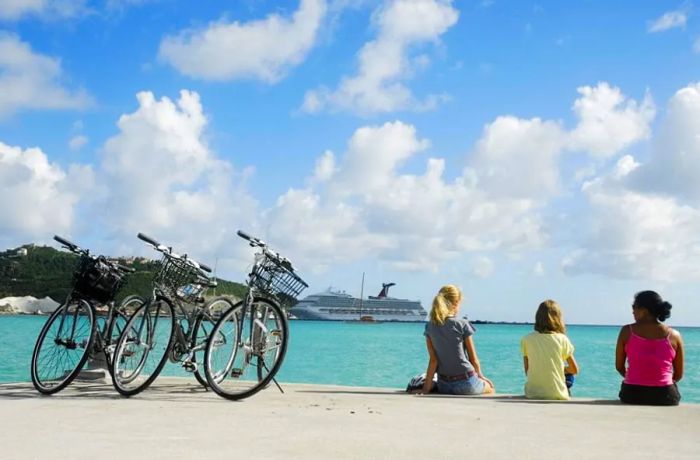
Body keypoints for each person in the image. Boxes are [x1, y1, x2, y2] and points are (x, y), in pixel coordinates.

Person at [420, 285, 494, 395]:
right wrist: (481, 376)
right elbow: (473, 359)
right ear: (455, 304)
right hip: (466, 383)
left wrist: (425, 389)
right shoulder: (462, 324)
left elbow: (433, 361)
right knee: (490, 388)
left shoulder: (430, 326)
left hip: (444, 385)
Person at [615, 291, 684, 406]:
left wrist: (637, 378)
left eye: (634, 307)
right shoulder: (675, 335)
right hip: (666, 395)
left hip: (632, 394)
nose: (632, 311)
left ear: (644, 310)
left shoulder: (626, 331)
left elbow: (619, 367)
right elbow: (679, 374)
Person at [520, 300, 579, 400]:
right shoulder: (562, 339)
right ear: (558, 319)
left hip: (532, 393)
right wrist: (561, 369)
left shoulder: (527, 339)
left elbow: (528, 371)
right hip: (558, 394)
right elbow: (574, 369)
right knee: (569, 376)